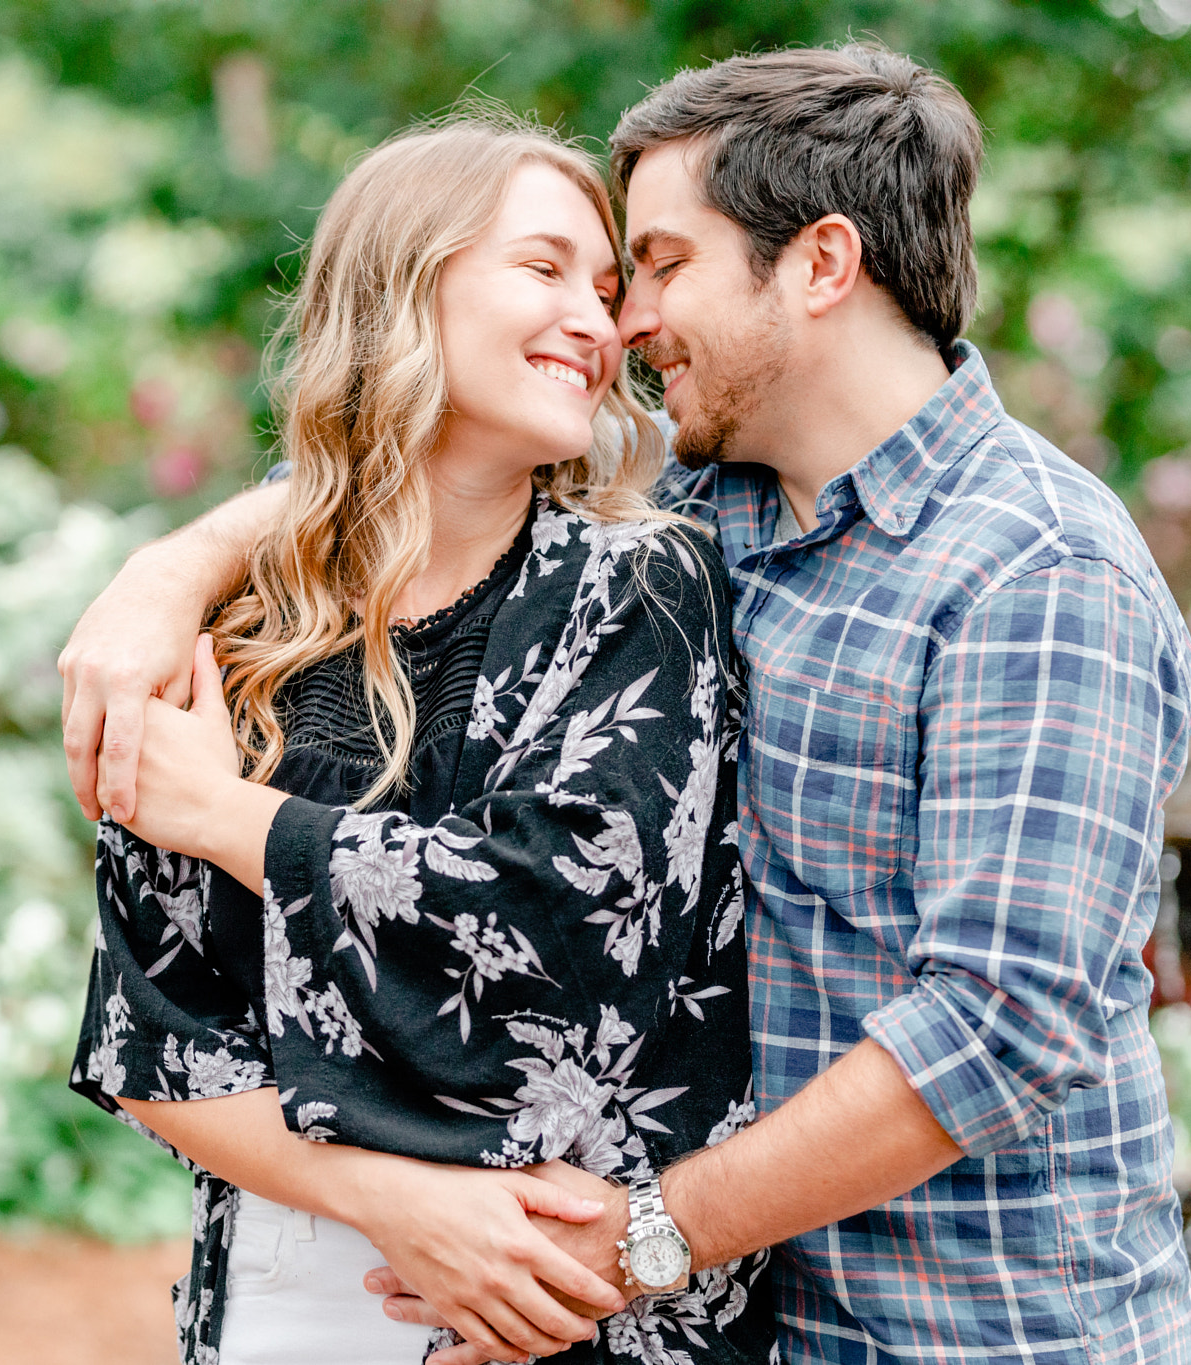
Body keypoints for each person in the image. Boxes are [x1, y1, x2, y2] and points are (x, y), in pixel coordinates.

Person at [62, 45, 1191, 1365]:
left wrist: (641, 1237)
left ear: (820, 266)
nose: (625, 324)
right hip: (747, 1312)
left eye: (656, 266)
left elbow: (999, 1030)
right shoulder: (705, 498)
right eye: (593, 279)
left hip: (973, 1326)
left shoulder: (1034, 567)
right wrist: (174, 568)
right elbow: (414, 465)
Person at [67, 115, 774, 1365]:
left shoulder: (639, 585)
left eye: (607, 291)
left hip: (564, 1302)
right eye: (543, 268)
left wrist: (225, 818)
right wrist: (390, 1199)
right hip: (282, 1297)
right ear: (404, 281)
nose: (601, 325)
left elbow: (560, 952)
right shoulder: (233, 630)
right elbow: (151, 1030)